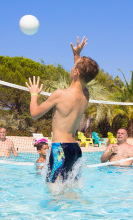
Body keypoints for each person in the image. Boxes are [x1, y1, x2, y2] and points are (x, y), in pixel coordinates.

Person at [25, 36, 99, 183]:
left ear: (76, 72)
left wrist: (34, 94)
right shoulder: (86, 95)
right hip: (75, 149)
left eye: (73, 68)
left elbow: (34, 114)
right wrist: (76, 55)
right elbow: (79, 78)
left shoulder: (59, 95)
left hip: (60, 150)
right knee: (71, 188)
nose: (71, 69)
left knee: (54, 191)